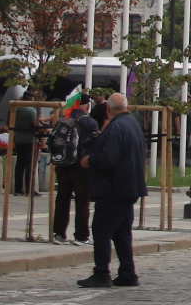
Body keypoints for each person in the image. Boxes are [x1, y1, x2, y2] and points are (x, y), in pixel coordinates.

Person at [75, 93, 146, 289]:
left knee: (101, 230)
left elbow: (109, 159)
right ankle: (127, 273)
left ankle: (101, 273)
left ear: (108, 109)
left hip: (114, 187)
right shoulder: (132, 125)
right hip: (129, 186)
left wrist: (89, 160)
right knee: (122, 232)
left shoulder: (116, 127)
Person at [49, 96, 99, 245]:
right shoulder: (89, 122)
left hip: (62, 164)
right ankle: (81, 236)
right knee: (82, 200)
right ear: (86, 105)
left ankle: (59, 234)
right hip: (81, 165)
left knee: (62, 198)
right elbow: (96, 143)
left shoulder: (63, 119)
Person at [11, 100, 38, 197]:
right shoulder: (31, 110)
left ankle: (18, 189)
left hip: (18, 139)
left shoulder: (15, 110)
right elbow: (35, 124)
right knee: (29, 165)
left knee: (19, 165)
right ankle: (29, 189)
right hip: (30, 139)